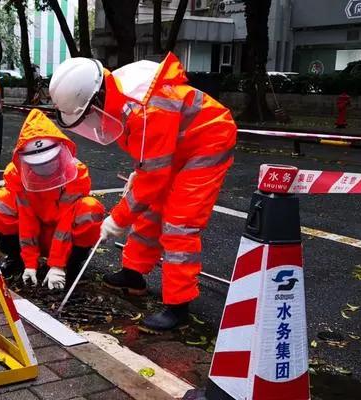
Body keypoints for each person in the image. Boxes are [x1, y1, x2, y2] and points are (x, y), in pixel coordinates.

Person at [48, 53, 237, 332]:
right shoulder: (120, 97)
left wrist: (118, 218)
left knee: (179, 224)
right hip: (175, 144)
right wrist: (144, 168)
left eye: (87, 114)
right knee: (149, 210)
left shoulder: (148, 110)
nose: (90, 121)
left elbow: (153, 178)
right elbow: (150, 162)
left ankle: (178, 307)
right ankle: (133, 274)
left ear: (95, 100)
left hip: (207, 141)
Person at [0, 109, 105, 290]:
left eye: (48, 161)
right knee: (2, 202)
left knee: (90, 209)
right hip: (29, 236)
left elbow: (66, 223)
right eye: (38, 164)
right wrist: (29, 263)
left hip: (62, 239)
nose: (44, 168)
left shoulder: (75, 175)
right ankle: (15, 258)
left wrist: (58, 265)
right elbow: (27, 220)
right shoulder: (17, 176)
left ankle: (71, 264)